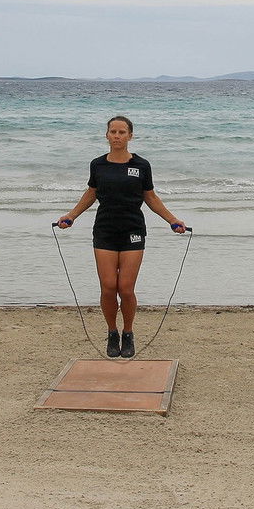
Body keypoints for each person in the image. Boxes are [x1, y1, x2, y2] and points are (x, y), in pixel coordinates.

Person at [55, 116, 187, 358]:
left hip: (132, 230)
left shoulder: (141, 165)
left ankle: (128, 332)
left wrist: (173, 220)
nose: (117, 136)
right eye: (113, 132)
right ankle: (112, 332)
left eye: (122, 132)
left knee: (125, 288)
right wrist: (71, 216)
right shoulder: (98, 165)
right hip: (105, 230)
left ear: (130, 136)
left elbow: (151, 197)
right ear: (106, 135)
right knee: (108, 287)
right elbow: (91, 193)